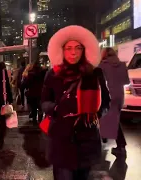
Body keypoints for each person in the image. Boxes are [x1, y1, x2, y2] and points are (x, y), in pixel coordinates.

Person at [41, 26, 110, 180]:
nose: (73, 52)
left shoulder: (94, 73)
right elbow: (44, 101)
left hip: (87, 139)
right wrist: (57, 108)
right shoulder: (53, 74)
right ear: (62, 51)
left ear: (84, 50)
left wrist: (94, 115)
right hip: (61, 138)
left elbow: (105, 102)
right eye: (69, 48)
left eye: (78, 48)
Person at [99, 47, 130, 157]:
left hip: (108, 95)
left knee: (111, 120)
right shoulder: (122, 65)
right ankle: (108, 138)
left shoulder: (102, 66)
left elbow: (100, 82)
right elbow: (126, 81)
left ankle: (121, 146)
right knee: (113, 119)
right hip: (120, 95)